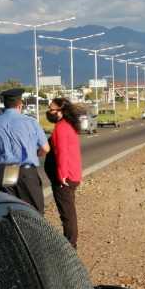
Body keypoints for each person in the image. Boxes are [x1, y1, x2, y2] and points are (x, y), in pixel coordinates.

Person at [0, 88, 50, 212]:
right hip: (26, 172)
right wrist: (35, 154)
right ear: (20, 105)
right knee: (35, 211)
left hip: (4, 172)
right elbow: (45, 148)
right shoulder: (31, 122)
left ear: (4, 104)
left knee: (11, 211)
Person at [44, 98, 83, 248]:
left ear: (61, 111)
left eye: (51, 109)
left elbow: (62, 153)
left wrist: (62, 176)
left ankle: (70, 244)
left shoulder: (61, 128)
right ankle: (70, 241)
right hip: (72, 175)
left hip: (65, 178)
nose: (49, 112)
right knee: (68, 211)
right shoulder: (68, 125)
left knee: (67, 213)